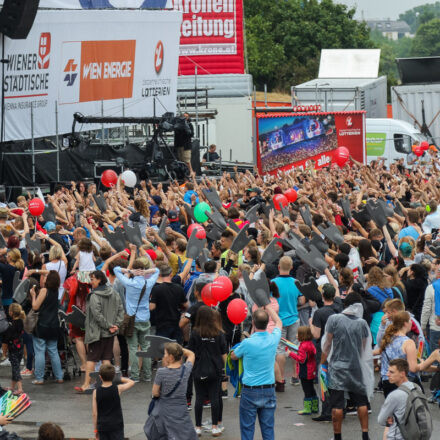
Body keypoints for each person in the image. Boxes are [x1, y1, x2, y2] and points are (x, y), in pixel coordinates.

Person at [321, 292, 374, 440]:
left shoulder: (334, 319)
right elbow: (364, 347)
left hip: (337, 367)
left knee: (337, 404)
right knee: (361, 402)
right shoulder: (362, 323)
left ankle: (337, 436)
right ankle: (365, 434)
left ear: (345, 304)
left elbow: (327, 343)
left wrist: (323, 361)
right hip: (356, 367)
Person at [231, 306, 282, 440]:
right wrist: (268, 307)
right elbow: (279, 322)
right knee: (268, 429)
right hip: (269, 389)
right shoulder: (273, 339)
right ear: (267, 323)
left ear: (253, 322)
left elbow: (233, 356)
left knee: (247, 429)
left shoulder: (247, 343)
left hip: (250, 391)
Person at [76, 270, 124, 393]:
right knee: (106, 358)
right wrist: (115, 325)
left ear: (99, 280)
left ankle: (87, 384)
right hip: (110, 333)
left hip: (96, 333)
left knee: (91, 359)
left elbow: (97, 315)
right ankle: (107, 384)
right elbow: (120, 310)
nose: (91, 282)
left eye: (92, 279)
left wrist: (108, 326)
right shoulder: (114, 293)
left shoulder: (94, 296)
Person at [114, 254, 159, 383]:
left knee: (132, 347)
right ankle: (147, 375)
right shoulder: (149, 282)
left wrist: (129, 271)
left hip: (132, 319)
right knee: (145, 347)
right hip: (145, 318)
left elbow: (116, 269)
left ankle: (134, 375)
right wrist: (146, 271)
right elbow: (157, 270)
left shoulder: (128, 283)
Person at [144, 342, 197, 440]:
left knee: (165, 433)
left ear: (171, 357)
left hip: (165, 408)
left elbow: (155, 392)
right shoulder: (185, 370)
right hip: (181, 408)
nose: (163, 356)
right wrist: (180, 350)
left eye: (165, 354)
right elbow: (191, 354)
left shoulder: (161, 372)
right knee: (183, 433)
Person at [188, 306, 227, 436]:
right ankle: (215, 427)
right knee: (215, 397)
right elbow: (223, 353)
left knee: (199, 398)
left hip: (199, 369)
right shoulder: (218, 333)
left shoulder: (194, 333)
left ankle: (198, 427)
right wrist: (226, 369)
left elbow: (190, 352)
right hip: (215, 370)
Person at [309, 283, 342, 422]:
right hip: (339, 348)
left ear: (322, 296)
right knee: (337, 379)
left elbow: (316, 334)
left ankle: (327, 411)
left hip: (324, 350)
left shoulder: (319, 312)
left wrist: (310, 322)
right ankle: (340, 408)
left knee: (324, 379)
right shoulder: (339, 307)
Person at [272, 256, 305, 390]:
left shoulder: (273, 282)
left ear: (279, 267)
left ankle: (280, 379)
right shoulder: (296, 282)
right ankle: (296, 376)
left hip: (279, 319)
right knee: (294, 347)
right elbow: (302, 301)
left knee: (279, 348)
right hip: (293, 318)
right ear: (292, 267)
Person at [373, 311, 421, 397]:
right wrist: (425, 364)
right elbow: (413, 368)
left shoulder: (388, 338)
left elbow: (378, 351)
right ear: (405, 323)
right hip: (403, 381)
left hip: (387, 380)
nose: (411, 322)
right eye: (410, 320)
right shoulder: (408, 342)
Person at [30, 271, 64, 385]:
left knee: (40, 351)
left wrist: (33, 295)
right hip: (54, 325)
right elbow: (53, 273)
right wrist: (40, 271)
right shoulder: (56, 291)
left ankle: (39, 378)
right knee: (53, 351)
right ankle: (59, 376)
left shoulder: (44, 291)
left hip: (42, 325)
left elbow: (35, 307)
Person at [377, 359, 425, 440]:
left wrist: (389, 419)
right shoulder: (417, 388)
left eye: (391, 372)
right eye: (388, 371)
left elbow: (381, 420)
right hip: (415, 435)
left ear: (402, 374)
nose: (387, 374)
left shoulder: (394, 395)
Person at [92, 364, 135, 440]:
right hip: (116, 425)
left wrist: (96, 429)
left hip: (102, 425)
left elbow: (95, 414)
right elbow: (131, 382)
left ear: (100, 377)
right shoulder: (118, 389)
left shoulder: (96, 392)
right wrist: (119, 378)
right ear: (114, 376)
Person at [149, 264, 188, 344]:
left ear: (159, 275)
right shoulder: (178, 288)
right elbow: (186, 305)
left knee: (161, 350)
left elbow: (151, 307)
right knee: (176, 349)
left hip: (161, 324)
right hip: (176, 322)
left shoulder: (156, 289)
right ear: (171, 274)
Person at [285, 326, 317, 415]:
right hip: (312, 369)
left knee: (306, 389)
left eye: (298, 334)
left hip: (305, 371)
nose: (296, 335)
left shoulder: (303, 346)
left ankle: (307, 409)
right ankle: (315, 407)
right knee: (311, 389)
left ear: (302, 335)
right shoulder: (310, 344)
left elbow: (301, 359)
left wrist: (290, 353)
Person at [3, 303, 25, 395]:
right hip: (20, 348)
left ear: (11, 313)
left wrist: (4, 353)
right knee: (15, 368)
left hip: (13, 350)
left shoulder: (10, 327)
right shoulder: (20, 322)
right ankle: (12, 386)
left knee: (16, 369)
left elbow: (5, 342)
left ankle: (20, 388)